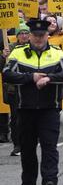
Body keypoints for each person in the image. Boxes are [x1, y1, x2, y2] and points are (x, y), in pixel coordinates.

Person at [3, 19, 63, 185]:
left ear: (47, 35)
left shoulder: (57, 53)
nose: (38, 39)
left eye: (42, 35)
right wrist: (31, 77)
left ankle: (50, 180)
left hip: (49, 108)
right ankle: (28, 184)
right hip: (25, 109)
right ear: (29, 36)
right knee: (27, 149)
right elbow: (7, 74)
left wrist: (49, 78)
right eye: (35, 36)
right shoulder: (18, 53)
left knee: (50, 147)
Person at [0, 22, 31, 155]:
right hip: (14, 89)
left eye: (26, 33)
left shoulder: (34, 47)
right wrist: (3, 57)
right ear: (17, 36)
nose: (24, 36)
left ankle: (29, 141)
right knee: (16, 117)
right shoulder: (10, 48)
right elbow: (2, 69)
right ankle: (17, 144)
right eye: (21, 33)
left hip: (30, 87)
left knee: (29, 116)